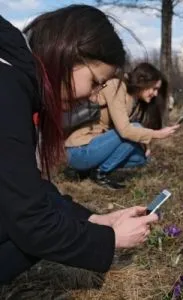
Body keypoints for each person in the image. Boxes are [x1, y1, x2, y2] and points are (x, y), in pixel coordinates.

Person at [0, 5, 159, 284]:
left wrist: (96, 220)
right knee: (32, 237)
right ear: (70, 54)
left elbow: (28, 191)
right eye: (96, 82)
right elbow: (31, 223)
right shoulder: (8, 89)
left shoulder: (15, 74)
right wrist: (110, 240)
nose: (94, 96)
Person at [65, 62, 179, 189]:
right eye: (154, 88)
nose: (156, 94)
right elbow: (125, 130)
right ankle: (100, 173)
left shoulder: (133, 99)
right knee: (134, 128)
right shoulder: (116, 86)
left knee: (141, 158)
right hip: (79, 151)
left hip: (96, 147)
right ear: (142, 81)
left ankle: (88, 171)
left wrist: (145, 145)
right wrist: (157, 134)